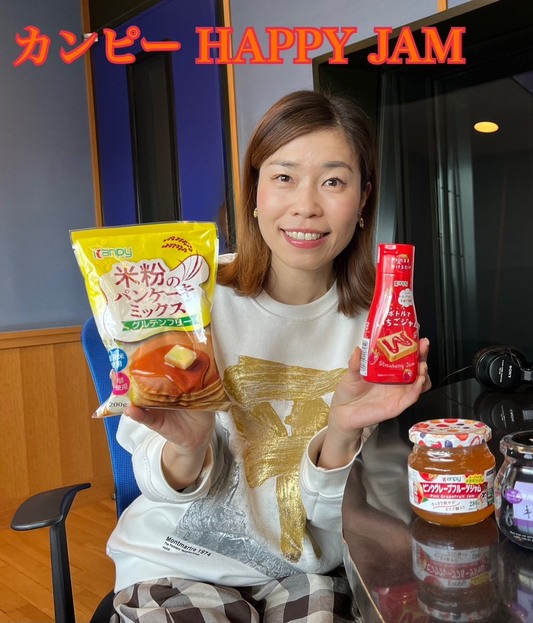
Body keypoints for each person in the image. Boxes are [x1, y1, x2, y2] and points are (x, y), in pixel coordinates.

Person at [108, 90, 431, 622]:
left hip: (307, 570)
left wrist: (342, 431)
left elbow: (338, 515)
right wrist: (189, 447)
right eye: (284, 177)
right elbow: (157, 482)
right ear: (254, 191)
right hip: (173, 561)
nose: (306, 205)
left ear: (364, 199)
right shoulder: (187, 295)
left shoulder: (383, 326)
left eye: (333, 181)